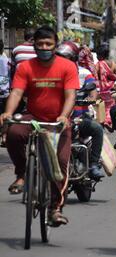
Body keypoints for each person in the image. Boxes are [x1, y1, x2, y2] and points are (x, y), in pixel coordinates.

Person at [0, 26, 80, 227]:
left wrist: (63, 116)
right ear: (34, 45)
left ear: (55, 46)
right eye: (40, 44)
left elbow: (71, 95)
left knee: (60, 165)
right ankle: (22, 173)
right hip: (33, 117)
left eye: (48, 44)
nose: (44, 47)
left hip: (58, 121)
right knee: (14, 133)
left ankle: (55, 208)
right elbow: (17, 93)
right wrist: (8, 113)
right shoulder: (26, 67)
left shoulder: (67, 67)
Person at [55, 41, 105, 179]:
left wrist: (90, 99)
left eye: (66, 58)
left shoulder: (84, 73)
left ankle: (93, 164)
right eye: (59, 58)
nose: (62, 62)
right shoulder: (51, 73)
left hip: (79, 117)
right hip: (55, 118)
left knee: (97, 129)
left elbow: (93, 92)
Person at [95, 45, 116, 128]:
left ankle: (104, 120)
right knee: (110, 106)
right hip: (111, 89)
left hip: (102, 89)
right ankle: (109, 120)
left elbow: (95, 76)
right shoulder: (113, 63)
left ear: (100, 55)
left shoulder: (99, 64)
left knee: (103, 106)